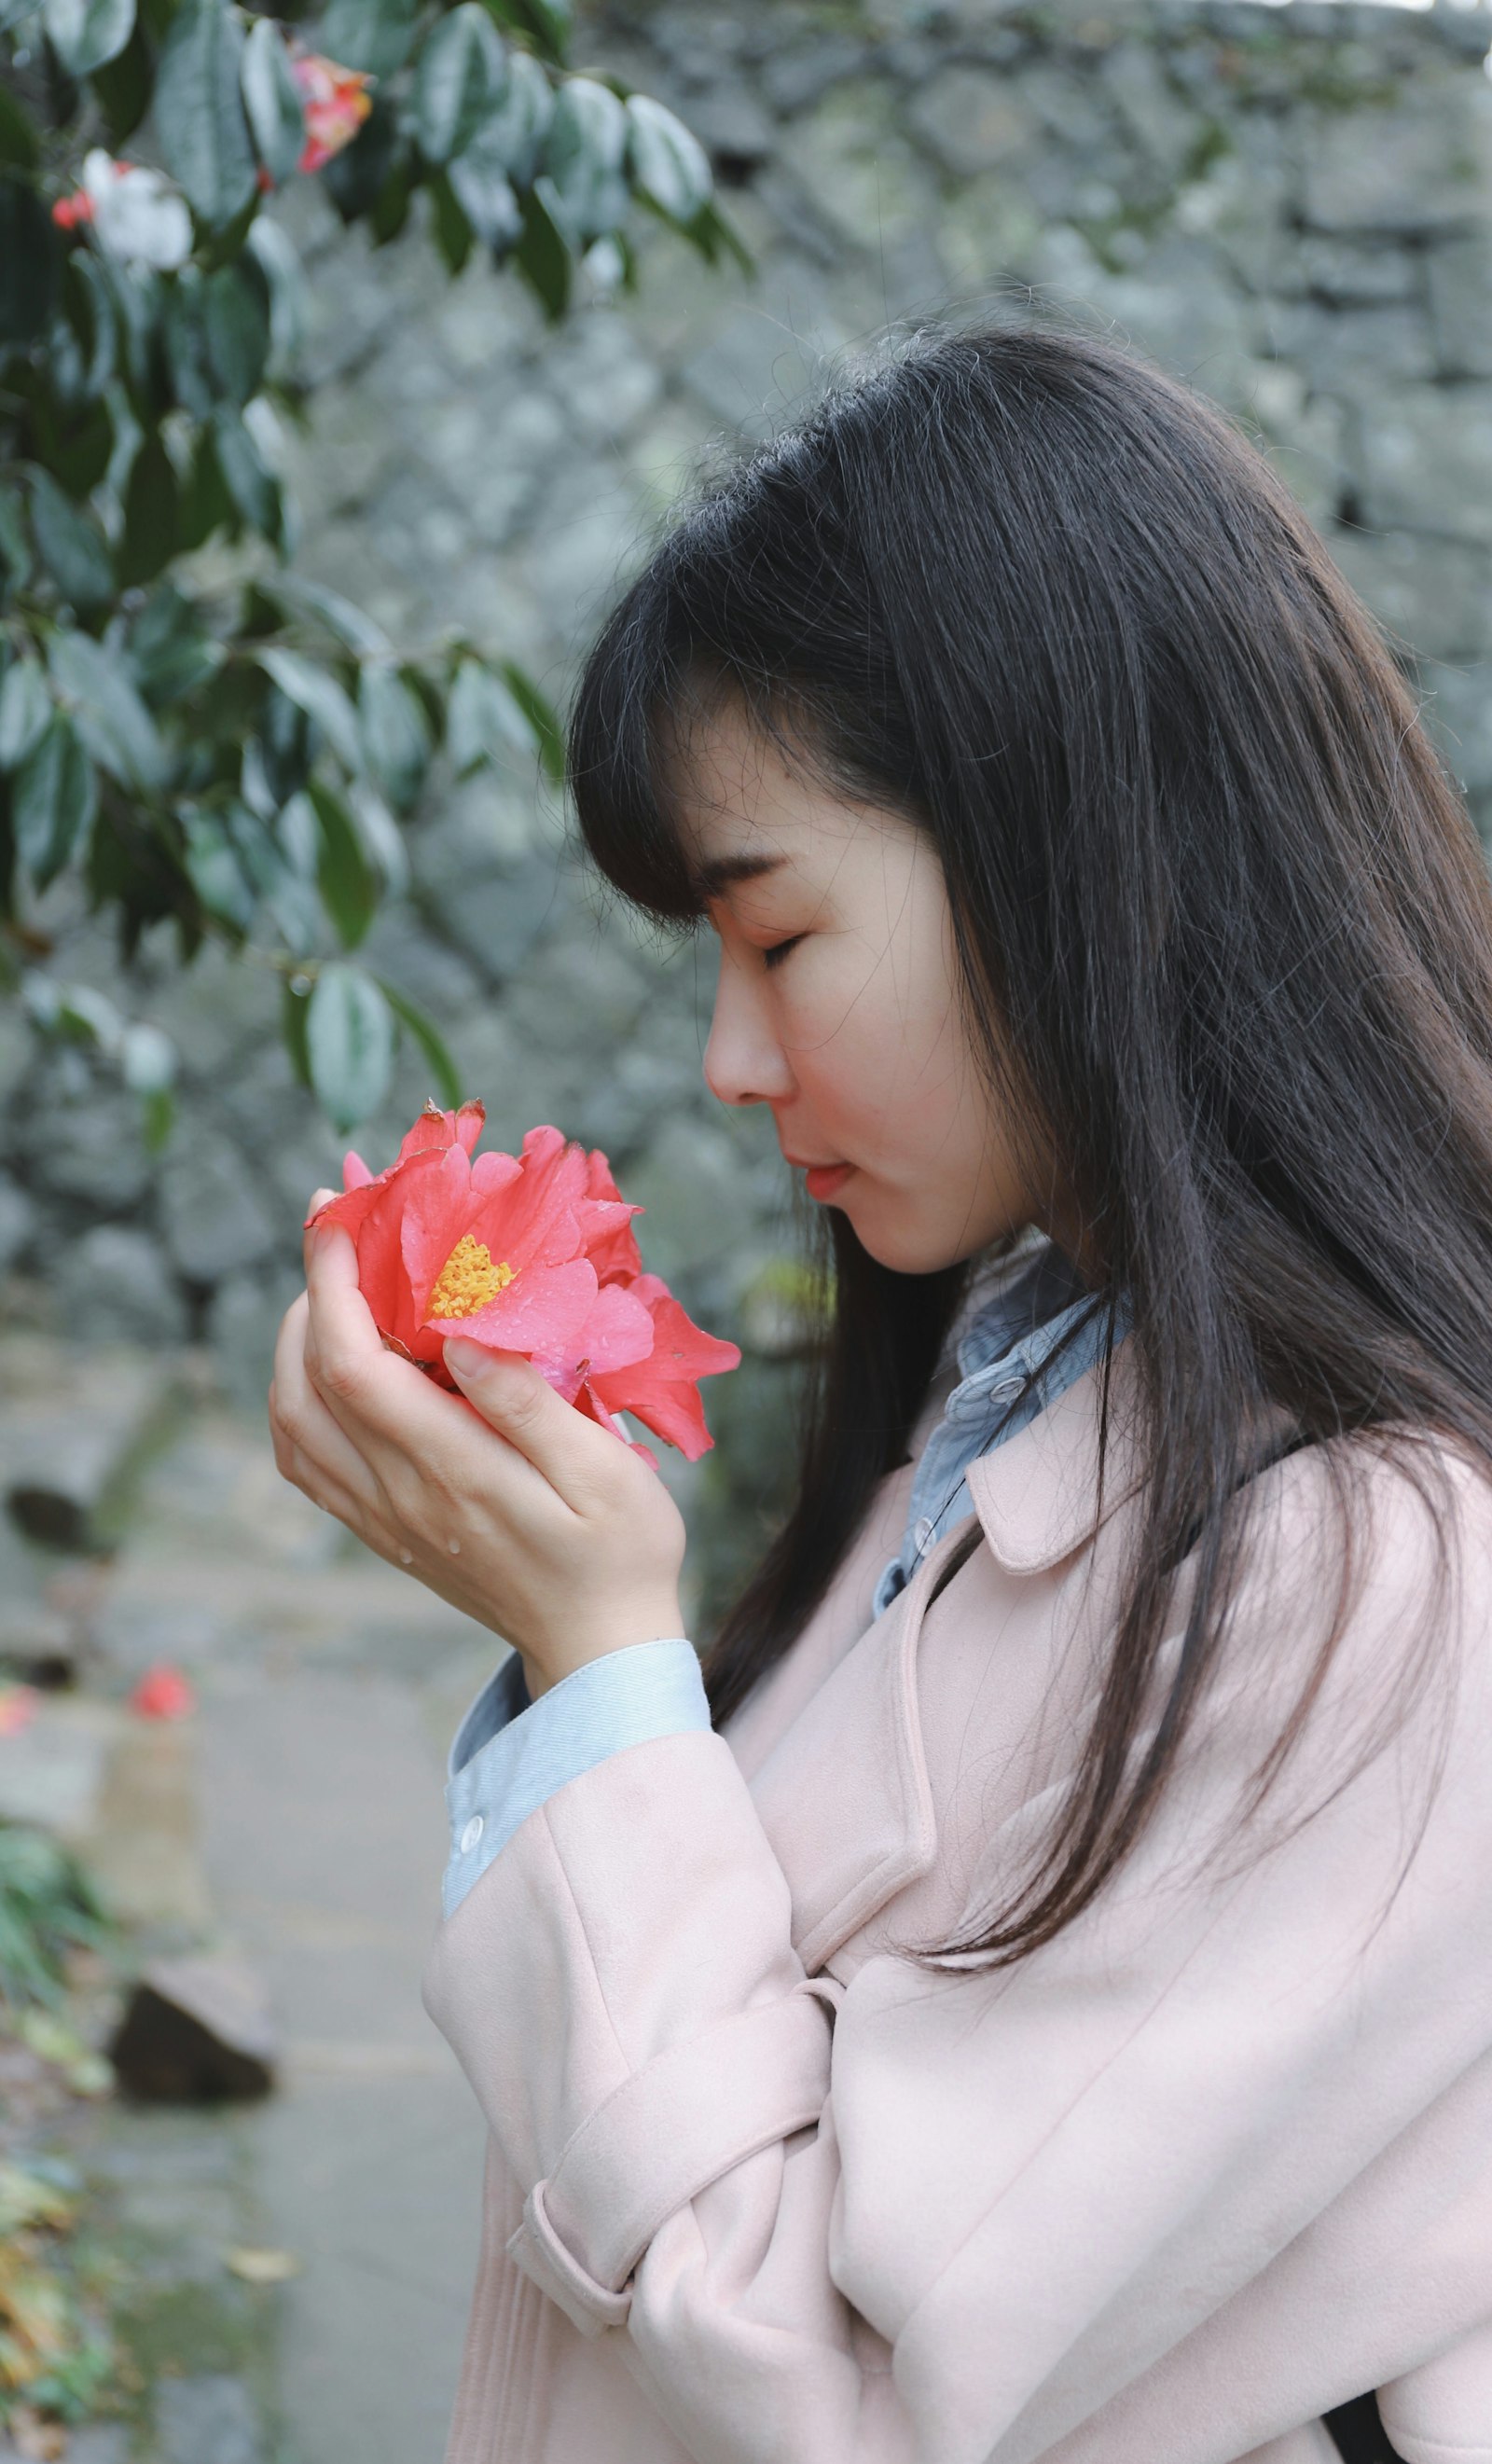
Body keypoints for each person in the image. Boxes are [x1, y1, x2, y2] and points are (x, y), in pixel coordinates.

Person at [269, 327, 1492, 2464]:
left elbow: (845, 2394)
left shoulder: (1380, 1586)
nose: (732, 1064)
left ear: (1074, 858)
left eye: (781, 936)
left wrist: (595, 1672)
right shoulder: (1013, 1383)